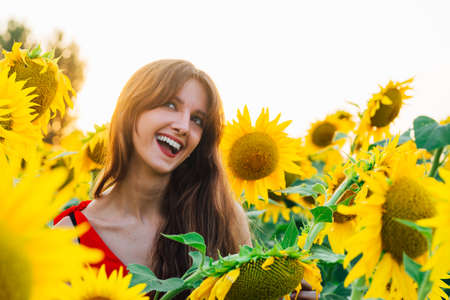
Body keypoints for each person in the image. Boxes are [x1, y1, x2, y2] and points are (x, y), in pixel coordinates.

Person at [54, 59, 316, 300]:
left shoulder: (221, 220)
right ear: (131, 109)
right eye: (170, 105)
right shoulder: (69, 235)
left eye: (198, 120)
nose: (183, 126)